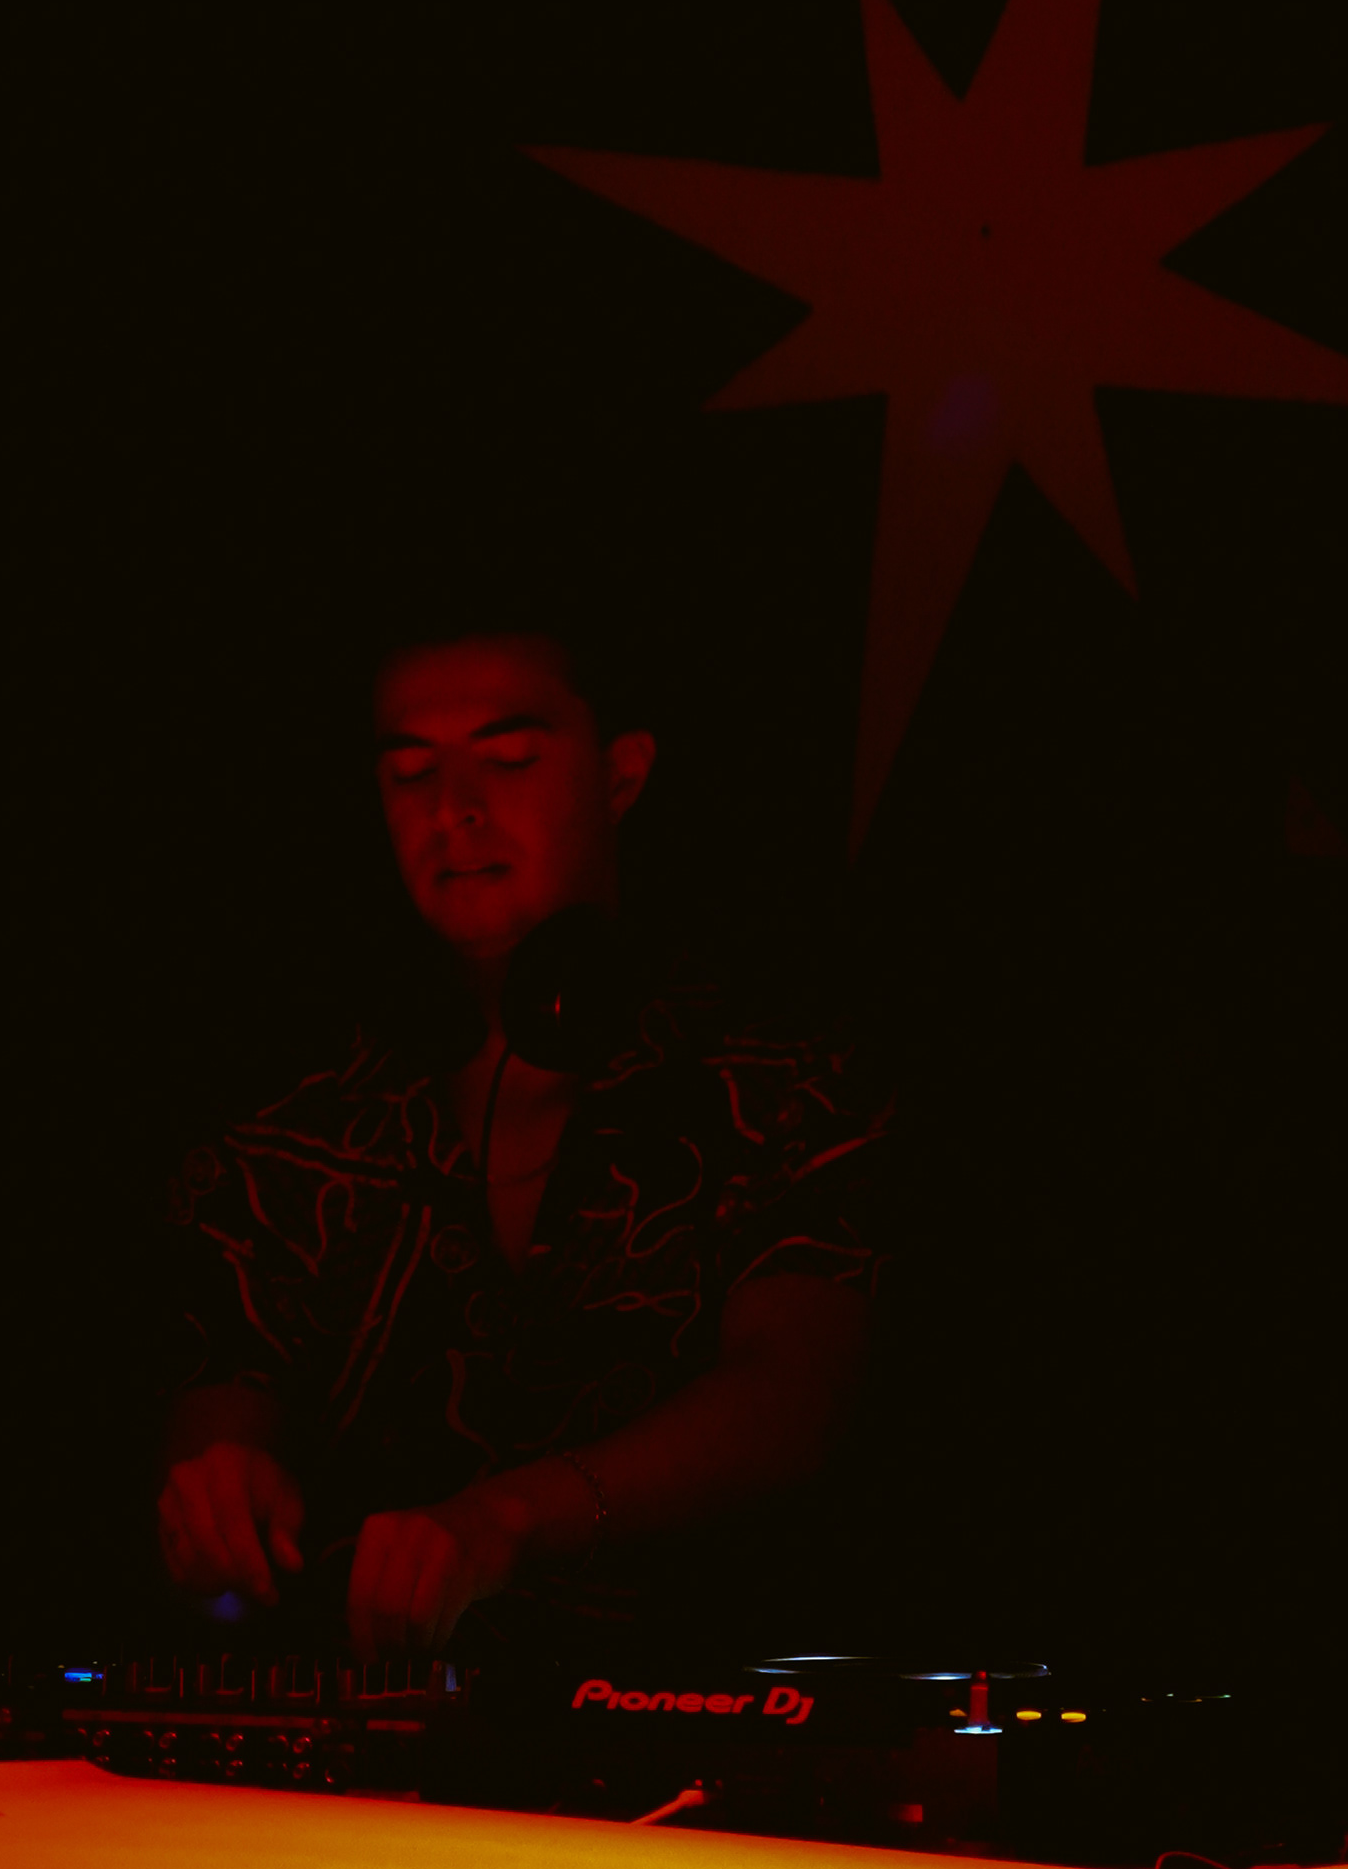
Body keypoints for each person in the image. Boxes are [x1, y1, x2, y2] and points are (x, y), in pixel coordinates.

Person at [153, 596, 888, 1659]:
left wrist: (504, 1520)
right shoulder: (285, 1129)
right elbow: (217, 1403)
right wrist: (216, 1495)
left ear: (621, 777)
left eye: (507, 762)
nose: (453, 810)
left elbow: (795, 1396)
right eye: (411, 774)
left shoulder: (782, 1086)